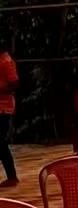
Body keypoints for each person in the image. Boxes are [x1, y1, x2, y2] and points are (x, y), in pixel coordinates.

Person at [0, 47, 18, 187]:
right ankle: (11, 176)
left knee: (1, 143)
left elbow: (14, 84)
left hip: (3, 108)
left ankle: (12, 176)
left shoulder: (6, 61)